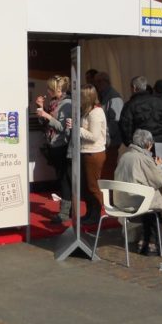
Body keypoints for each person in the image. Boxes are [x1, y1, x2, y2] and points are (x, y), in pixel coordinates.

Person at [115, 129, 162, 256]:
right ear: (148, 144)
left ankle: (144, 241)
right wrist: (159, 166)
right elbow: (159, 180)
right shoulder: (143, 158)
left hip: (121, 200)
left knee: (151, 203)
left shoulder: (125, 156)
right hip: (135, 201)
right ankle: (152, 244)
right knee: (156, 207)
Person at [67, 85, 107, 226]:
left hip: (93, 153)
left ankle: (96, 215)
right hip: (86, 152)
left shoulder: (95, 113)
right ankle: (90, 213)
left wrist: (76, 128)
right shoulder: (87, 111)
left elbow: (94, 136)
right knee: (86, 186)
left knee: (92, 186)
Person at [35, 75, 73, 223]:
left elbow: (63, 127)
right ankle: (66, 211)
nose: (48, 91)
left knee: (64, 179)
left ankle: (64, 212)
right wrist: (41, 108)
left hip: (62, 145)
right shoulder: (54, 103)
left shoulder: (67, 104)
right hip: (54, 144)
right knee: (62, 178)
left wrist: (45, 114)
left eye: (50, 89)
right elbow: (46, 122)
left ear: (58, 89)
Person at [119, 76, 162, 149]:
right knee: (161, 160)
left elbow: (125, 127)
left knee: (142, 161)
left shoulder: (130, 105)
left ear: (134, 88)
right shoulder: (160, 103)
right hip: (160, 144)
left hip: (140, 145)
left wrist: (130, 144)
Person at [94, 72, 123, 179]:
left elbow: (116, 121)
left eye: (98, 82)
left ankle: (109, 194)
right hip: (105, 140)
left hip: (110, 141)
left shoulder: (113, 97)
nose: (96, 85)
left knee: (108, 170)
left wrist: (105, 136)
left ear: (104, 82)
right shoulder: (103, 96)